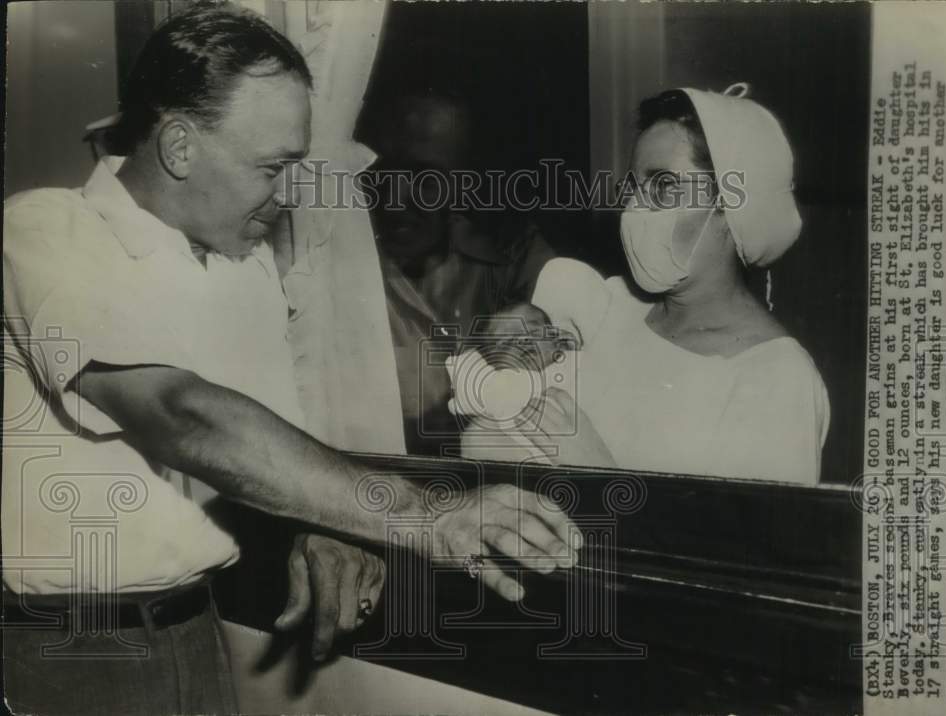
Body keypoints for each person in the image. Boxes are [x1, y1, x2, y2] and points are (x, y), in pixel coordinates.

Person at [1, 7, 578, 715]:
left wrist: (322, 527)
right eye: (270, 169)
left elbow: (265, 441)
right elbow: (178, 413)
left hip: (195, 632)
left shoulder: (245, 267)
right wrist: (421, 515)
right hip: (69, 655)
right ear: (180, 147)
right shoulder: (43, 231)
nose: (284, 198)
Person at [459, 84, 830, 485]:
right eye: (633, 188)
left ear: (733, 206)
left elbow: (747, 546)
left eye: (665, 186)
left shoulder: (776, 379)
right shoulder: (603, 309)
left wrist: (601, 477)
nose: (635, 209)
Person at [361, 90, 556, 455]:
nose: (395, 196)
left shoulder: (514, 253)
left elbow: (573, 343)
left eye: (425, 178)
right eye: (384, 172)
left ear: (463, 183)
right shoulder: (337, 264)